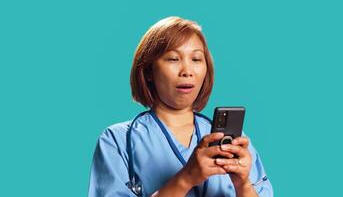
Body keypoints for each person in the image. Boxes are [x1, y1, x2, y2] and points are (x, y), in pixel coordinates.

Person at [88, 16, 273, 197]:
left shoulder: (234, 143)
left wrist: (242, 184)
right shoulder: (117, 140)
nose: (187, 71)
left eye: (196, 59)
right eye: (173, 59)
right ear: (149, 71)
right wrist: (186, 178)